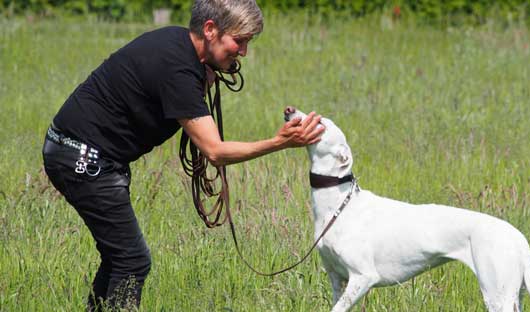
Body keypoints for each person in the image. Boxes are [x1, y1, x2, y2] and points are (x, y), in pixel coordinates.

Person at [42, 0, 324, 310]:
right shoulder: (178, 70)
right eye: (239, 40)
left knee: (119, 258)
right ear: (210, 29)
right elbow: (215, 151)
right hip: (83, 158)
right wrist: (279, 142)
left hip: (75, 150)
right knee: (132, 261)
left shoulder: (178, 46)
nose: (243, 51)